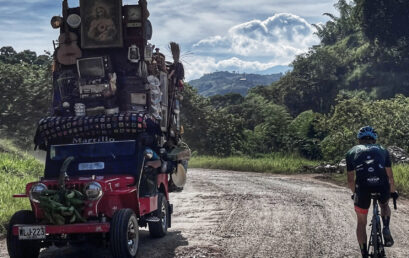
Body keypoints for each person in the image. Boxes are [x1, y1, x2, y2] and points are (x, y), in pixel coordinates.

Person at [346, 126, 399, 257]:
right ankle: (386, 226)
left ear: (359, 140)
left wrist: (354, 193)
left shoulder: (351, 152)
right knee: (384, 205)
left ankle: (364, 253)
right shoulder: (382, 150)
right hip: (381, 186)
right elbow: (390, 177)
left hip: (363, 188)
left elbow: (350, 180)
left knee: (361, 222)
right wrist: (393, 192)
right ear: (374, 139)